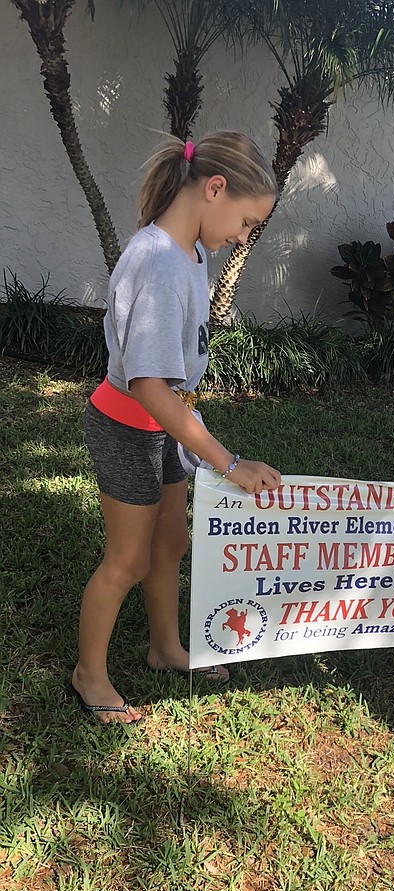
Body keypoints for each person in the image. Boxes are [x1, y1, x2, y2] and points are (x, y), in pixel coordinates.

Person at [70, 131, 282, 724]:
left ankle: (165, 648)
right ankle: (89, 675)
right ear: (214, 189)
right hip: (129, 425)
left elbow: (175, 377)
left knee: (171, 544)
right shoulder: (158, 260)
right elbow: (148, 386)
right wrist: (228, 461)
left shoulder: (192, 254)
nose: (242, 238)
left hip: (167, 425)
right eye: (244, 222)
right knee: (128, 561)